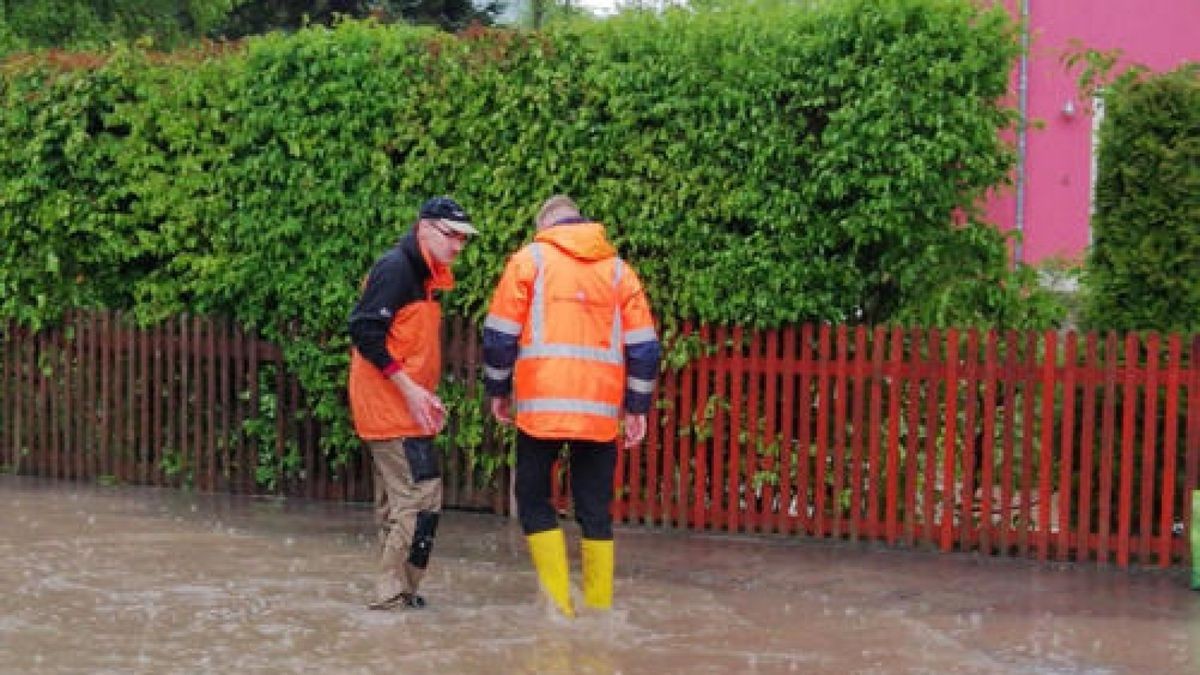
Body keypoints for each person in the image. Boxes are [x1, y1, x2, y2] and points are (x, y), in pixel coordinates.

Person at [482, 194, 661, 618]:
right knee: (595, 510)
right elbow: (645, 348)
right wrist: (636, 408)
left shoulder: (529, 261)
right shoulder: (619, 271)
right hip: (599, 416)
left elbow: (499, 336)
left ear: (545, 225)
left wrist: (498, 391)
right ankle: (599, 608)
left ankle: (558, 606)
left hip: (541, 410)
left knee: (532, 498)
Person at [347, 196, 477, 610]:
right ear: (425, 229)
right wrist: (409, 389)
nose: (458, 246)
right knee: (421, 502)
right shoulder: (396, 269)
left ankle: (398, 594)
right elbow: (365, 331)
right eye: (451, 236)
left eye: (464, 239)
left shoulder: (423, 275)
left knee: (399, 505)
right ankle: (392, 596)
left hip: (403, 408)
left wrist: (422, 391)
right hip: (392, 411)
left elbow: (406, 343)